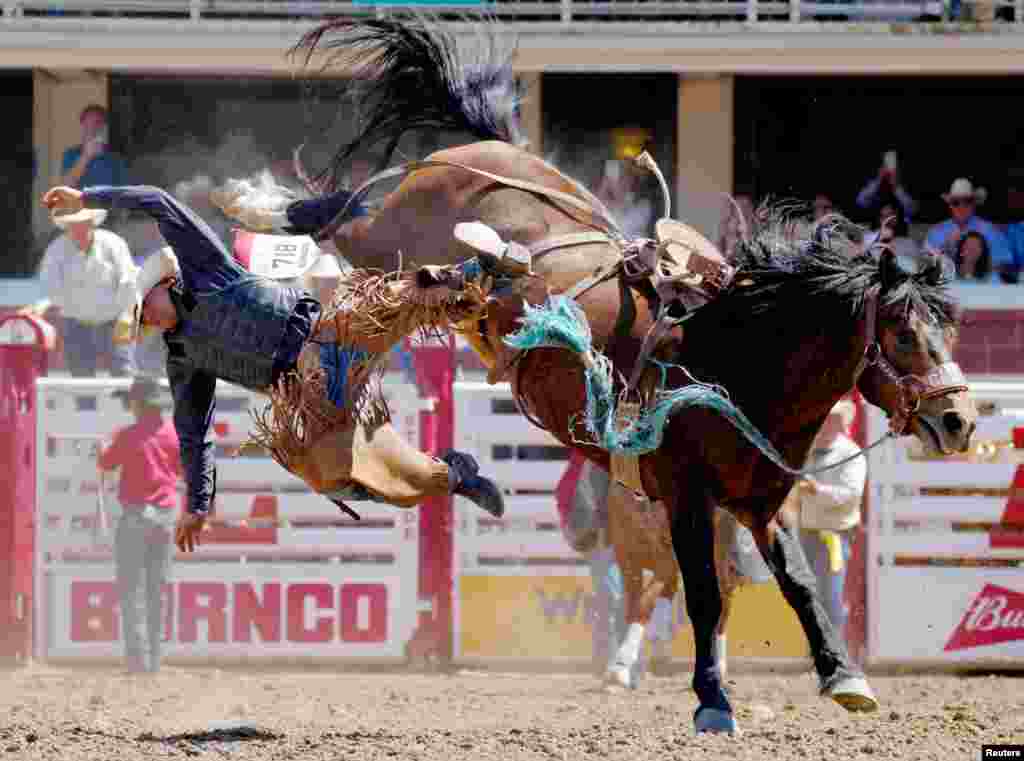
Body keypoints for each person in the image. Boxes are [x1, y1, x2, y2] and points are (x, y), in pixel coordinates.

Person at [41, 182, 505, 555]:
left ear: (163, 284)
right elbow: (193, 431)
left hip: (322, 338)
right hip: (312, 397)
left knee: (386, 307)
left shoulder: (205, 269)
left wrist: (89, 198)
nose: (151, 324)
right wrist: (198, 505)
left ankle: (476, 271)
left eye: (147, 311)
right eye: (142, 323)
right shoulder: (183, 356)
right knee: (337, 477)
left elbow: (160, 202)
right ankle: (454, 475)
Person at [97, 376, 181, 674]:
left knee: (131, 591)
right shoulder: (174, 435)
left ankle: (137, 661)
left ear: (138, 404)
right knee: (156, 590)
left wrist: (102, 449)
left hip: (135, 516)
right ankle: (155, 661)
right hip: (165, 516)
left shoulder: (128, 435)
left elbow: (106, 463)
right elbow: (184, 470)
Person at [22, 203, 137, 377]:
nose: (78, 229)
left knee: (124, 371)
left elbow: (129, 281)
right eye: (73, 225)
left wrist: (127, 316)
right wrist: (38, 307)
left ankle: (129, 405)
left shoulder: (113, 243)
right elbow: (49, 288)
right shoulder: (56, 250)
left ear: (92, 223)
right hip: (76, 322)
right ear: (66, 227)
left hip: (113, 320)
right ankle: (86, 406)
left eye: (82, 223)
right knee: (81, 375)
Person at [790, 399, 866, 644]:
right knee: (810, 594)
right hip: (808, 531)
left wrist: (817, 490)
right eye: (823, 418)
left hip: (835, 534)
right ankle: (819, 649)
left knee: (831, 594)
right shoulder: (809, 449)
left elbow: (850, 494)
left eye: (831, 419)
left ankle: (836, 651)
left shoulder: (851, 454)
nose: (825, 424)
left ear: (841, 423)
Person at [925, 178, 1013, 276]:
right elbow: (926, 265)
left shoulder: (990, 231)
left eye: (967, 201)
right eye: (956, 202)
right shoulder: (936, 232)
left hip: (984, 285)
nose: (961, 206)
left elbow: (1005, 265)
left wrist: (978, 260)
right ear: (950, 205)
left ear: (974, 203)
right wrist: (946, 248)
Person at [59, 104, 128, 190]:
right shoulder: (71, 154)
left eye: (97, 123)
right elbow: (65, 188)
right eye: (87, 124)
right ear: (82, 126)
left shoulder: (116, 159)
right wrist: (86, 156)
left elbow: (124, 193)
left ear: (104, 127)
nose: (92, 129)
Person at [855, 150, 917, 225]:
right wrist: (878, 181)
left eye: (893, 165)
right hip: (877, 228)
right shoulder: (875, 185)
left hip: (899, 229)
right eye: (887, 165)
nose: (889, 171)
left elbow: (912, 209)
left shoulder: (903, 185)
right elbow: (860, 202)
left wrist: (896, 187)